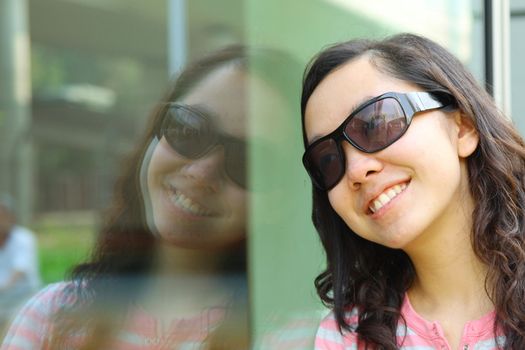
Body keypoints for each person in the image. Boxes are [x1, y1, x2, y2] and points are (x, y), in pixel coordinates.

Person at [1, 46, 258, 349]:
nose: (201, 173)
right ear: (153, 135)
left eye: (247, 159)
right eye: (188, 130)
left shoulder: (295, 337)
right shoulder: (50, 316)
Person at [300, 33, 525, 349]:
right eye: (327, 160)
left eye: (376, 122)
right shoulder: (346, 339)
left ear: (463, 127)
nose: (355, 171)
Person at [0, 195, 40, 332]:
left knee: (11, 330)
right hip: (1, 299)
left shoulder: (24, 238)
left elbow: (19, 270)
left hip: (23, 297)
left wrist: (4, 287)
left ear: (12, 218)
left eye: (3, 216)